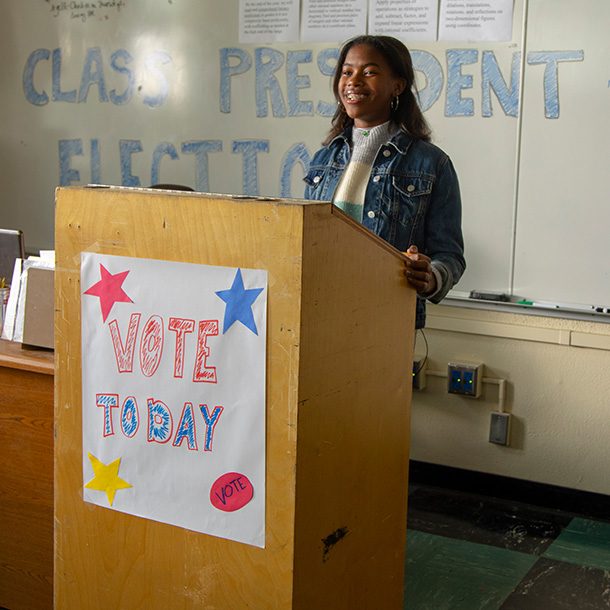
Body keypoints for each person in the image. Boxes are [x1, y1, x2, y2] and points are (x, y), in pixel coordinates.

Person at [304, 35, 465, 328]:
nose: (353, 81)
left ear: (398, 86)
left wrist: (430, 277)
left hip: (386, 320)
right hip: (320, 312)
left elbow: (450, 256)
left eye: (369, 72)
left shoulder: (431, 164)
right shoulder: (323, 159)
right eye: (347, 71)